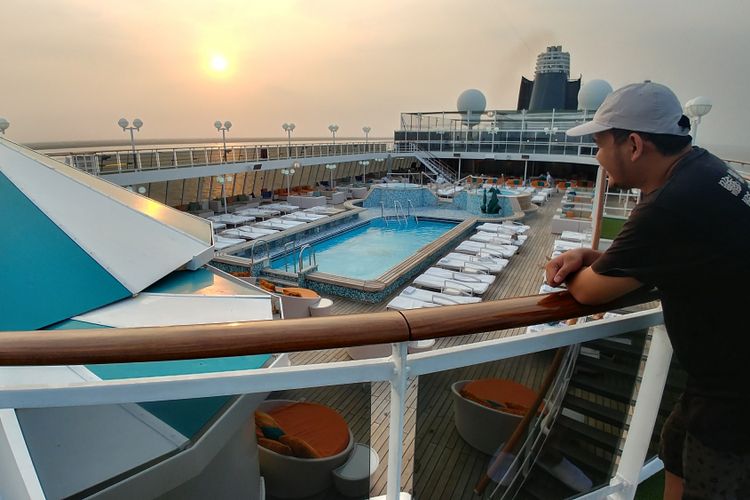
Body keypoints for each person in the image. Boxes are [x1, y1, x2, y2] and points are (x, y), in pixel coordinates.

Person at [544, 82, 750, 499]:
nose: (598, 158)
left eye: (601, 145)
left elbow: (590, 292)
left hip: (735, 394)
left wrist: (580, 268)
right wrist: (594, 253)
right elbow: (680, 251)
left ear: (634, 145)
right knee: (674, 445)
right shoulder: (706, 169)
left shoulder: (670, 203)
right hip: (718, 376)